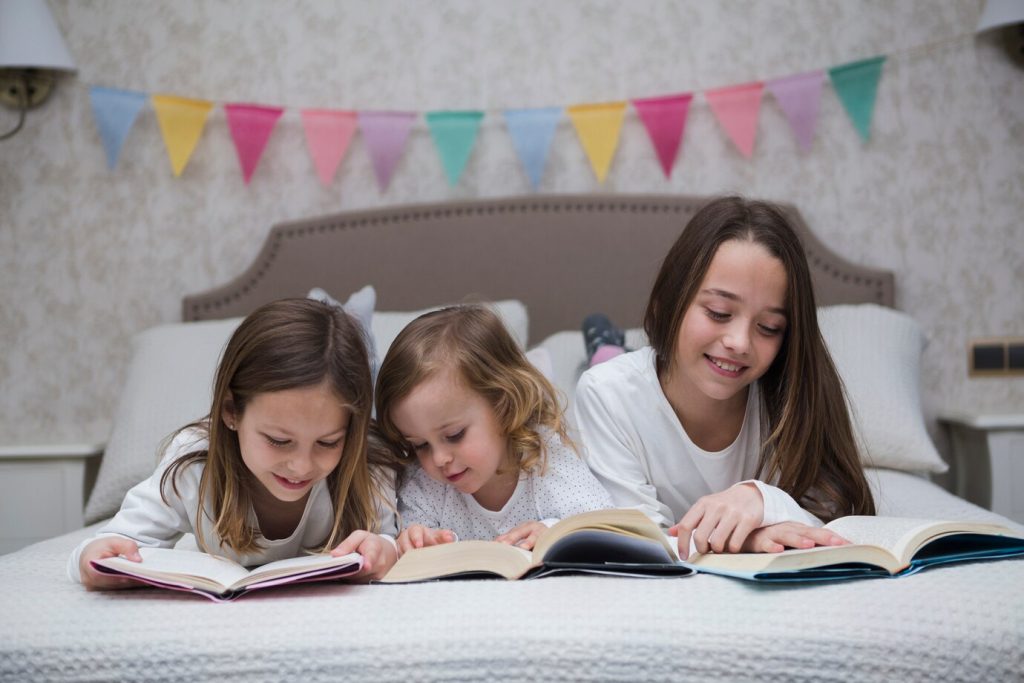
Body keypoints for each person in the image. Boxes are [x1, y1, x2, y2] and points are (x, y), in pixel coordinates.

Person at [574, 196, 875, 560]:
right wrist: (742, 539)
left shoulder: (793, 393)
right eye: (719, 313)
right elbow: (639, 541)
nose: (739, 343)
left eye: (768, 327)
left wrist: (760, 499)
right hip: (620, 373)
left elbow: (842, 517)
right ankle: (605, 346)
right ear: (671, 301)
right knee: (606, 366)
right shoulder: (605, 393)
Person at [70, 298, 400, 589]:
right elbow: (113, 542)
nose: (301, 465)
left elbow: (393, 540)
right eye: (278, 440)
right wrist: (93, 561)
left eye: (327, 442)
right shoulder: (195, 461)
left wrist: (386, 549)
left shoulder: (366, 465)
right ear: (231, 411)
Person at [374, 305, 613, 554]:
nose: (439, 459)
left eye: (454, 435)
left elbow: (608, 525)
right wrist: (418, 540)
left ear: (504, 405)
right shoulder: (426, 484)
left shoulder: (545, 461)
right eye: (420, 445)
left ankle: (608, 352)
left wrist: (554, 530)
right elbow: (413, 540)